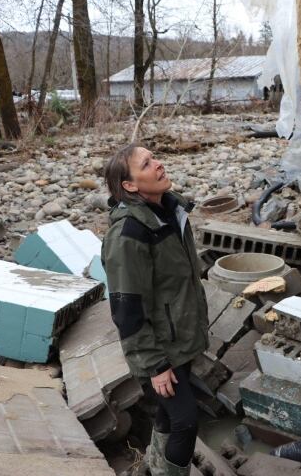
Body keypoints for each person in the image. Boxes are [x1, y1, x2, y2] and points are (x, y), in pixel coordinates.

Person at [101, 143, 208, 476]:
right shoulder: (129, 233)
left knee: (167, 416)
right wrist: (156, 366)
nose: (158, 164)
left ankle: (153, 468)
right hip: (159, 350)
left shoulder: (170, 211)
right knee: (185, 421)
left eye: (155, 158)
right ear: (130, 185)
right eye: (146, 164)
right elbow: (126, 309)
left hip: (180, 339)